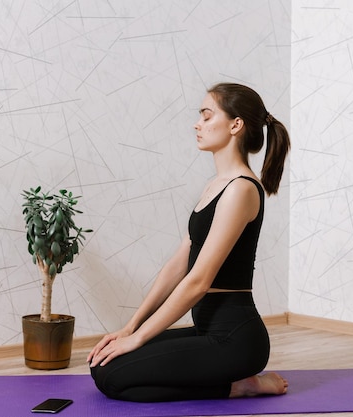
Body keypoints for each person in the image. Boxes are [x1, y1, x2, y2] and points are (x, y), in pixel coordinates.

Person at [88, 82, 291, 402]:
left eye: (207, 116)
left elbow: (198, 281)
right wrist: (130, 328)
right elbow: (179, 263)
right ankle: (235, 383)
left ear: (235, 125)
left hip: (234, 338)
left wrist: (140, 337)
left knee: (114, 378)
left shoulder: (241, 189)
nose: (198, 124)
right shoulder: (216, 185)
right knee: (103, 365)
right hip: (207, 329)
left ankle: (241, 386)